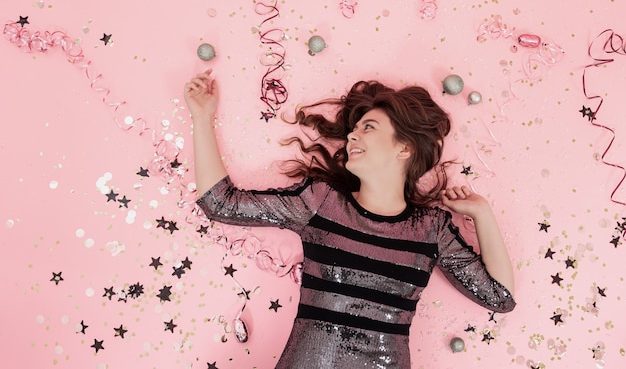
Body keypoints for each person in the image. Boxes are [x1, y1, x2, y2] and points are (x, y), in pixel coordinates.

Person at [184, 69, 516, 369]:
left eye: (368, 128)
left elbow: (499, 298)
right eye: (353, 131)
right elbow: (220, 204)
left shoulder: (432, 229)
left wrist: (482, 213)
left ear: (405, 148)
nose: (351, 137)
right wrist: (202, 117)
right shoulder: (320, 202)